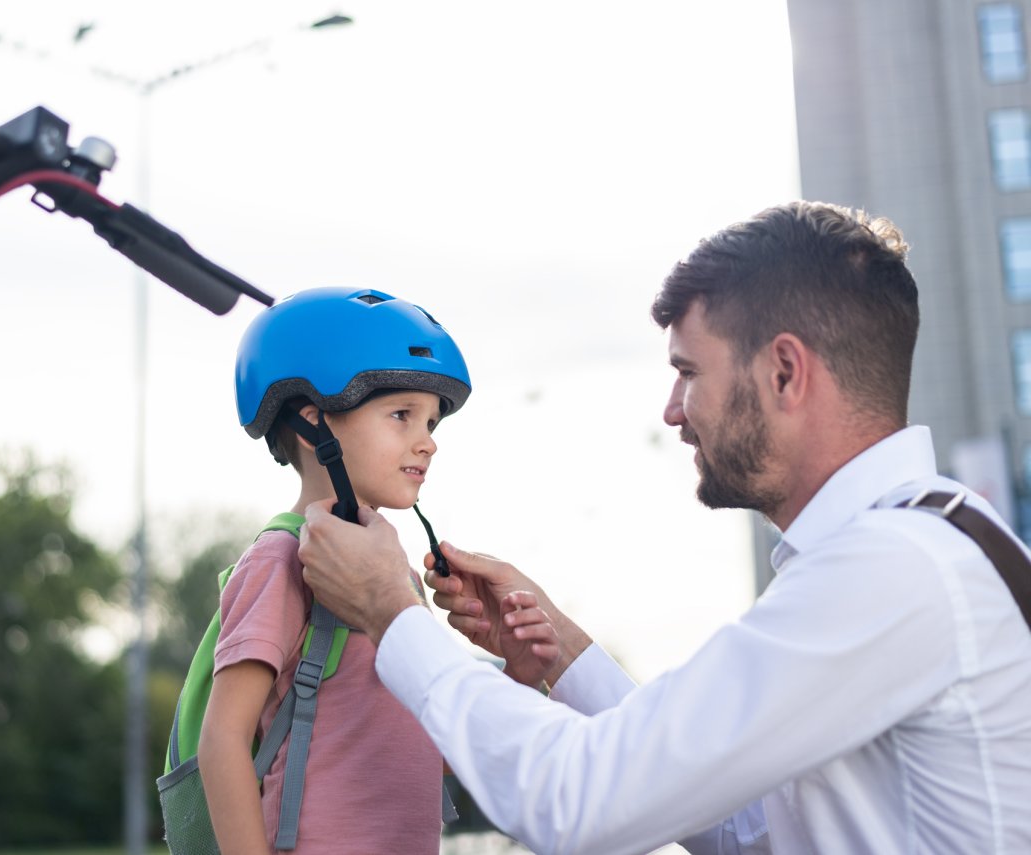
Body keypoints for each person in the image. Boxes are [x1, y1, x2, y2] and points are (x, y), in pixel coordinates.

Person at [297, 202, 1031, 853]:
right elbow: (751, 830)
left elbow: (576, 803)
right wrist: (561, 647)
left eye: (689, 371)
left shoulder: (892, 569)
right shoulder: (925, 542)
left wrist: (392, 610)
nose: (673, 410)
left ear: (784, 372)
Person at [199, 286, 562, 854]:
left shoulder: (394, 578)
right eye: (401, 415)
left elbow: (424, 749)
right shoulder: (281, 560)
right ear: (312, 422)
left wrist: (517, 673)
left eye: (432, 424)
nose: (428, 443)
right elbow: (222, 741)